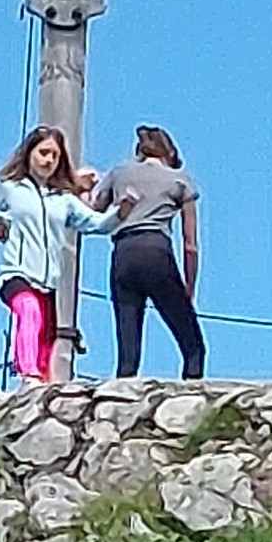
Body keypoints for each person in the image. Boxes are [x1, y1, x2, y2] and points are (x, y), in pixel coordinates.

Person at [0, 126, 103, 383]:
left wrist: (124, 212)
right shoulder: (9, 188)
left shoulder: (61, 199)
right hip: (16, 273)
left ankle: (41, 382)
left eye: (54, 156)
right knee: (28, 309)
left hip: (48, 280)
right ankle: (27, 371)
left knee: (47, 337)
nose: (48, 160)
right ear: (29, 154)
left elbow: (96, 222)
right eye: (43, 152)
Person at [99, 123, 206, 380]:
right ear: (170, 154)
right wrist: (189, 288)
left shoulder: (119, 173)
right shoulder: (180, 180)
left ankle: (119, 402)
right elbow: (190, 245)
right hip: (156, 252)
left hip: (123, 254)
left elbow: (94, 210)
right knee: (193, 347)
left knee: (128, 352)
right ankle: (190, 398)